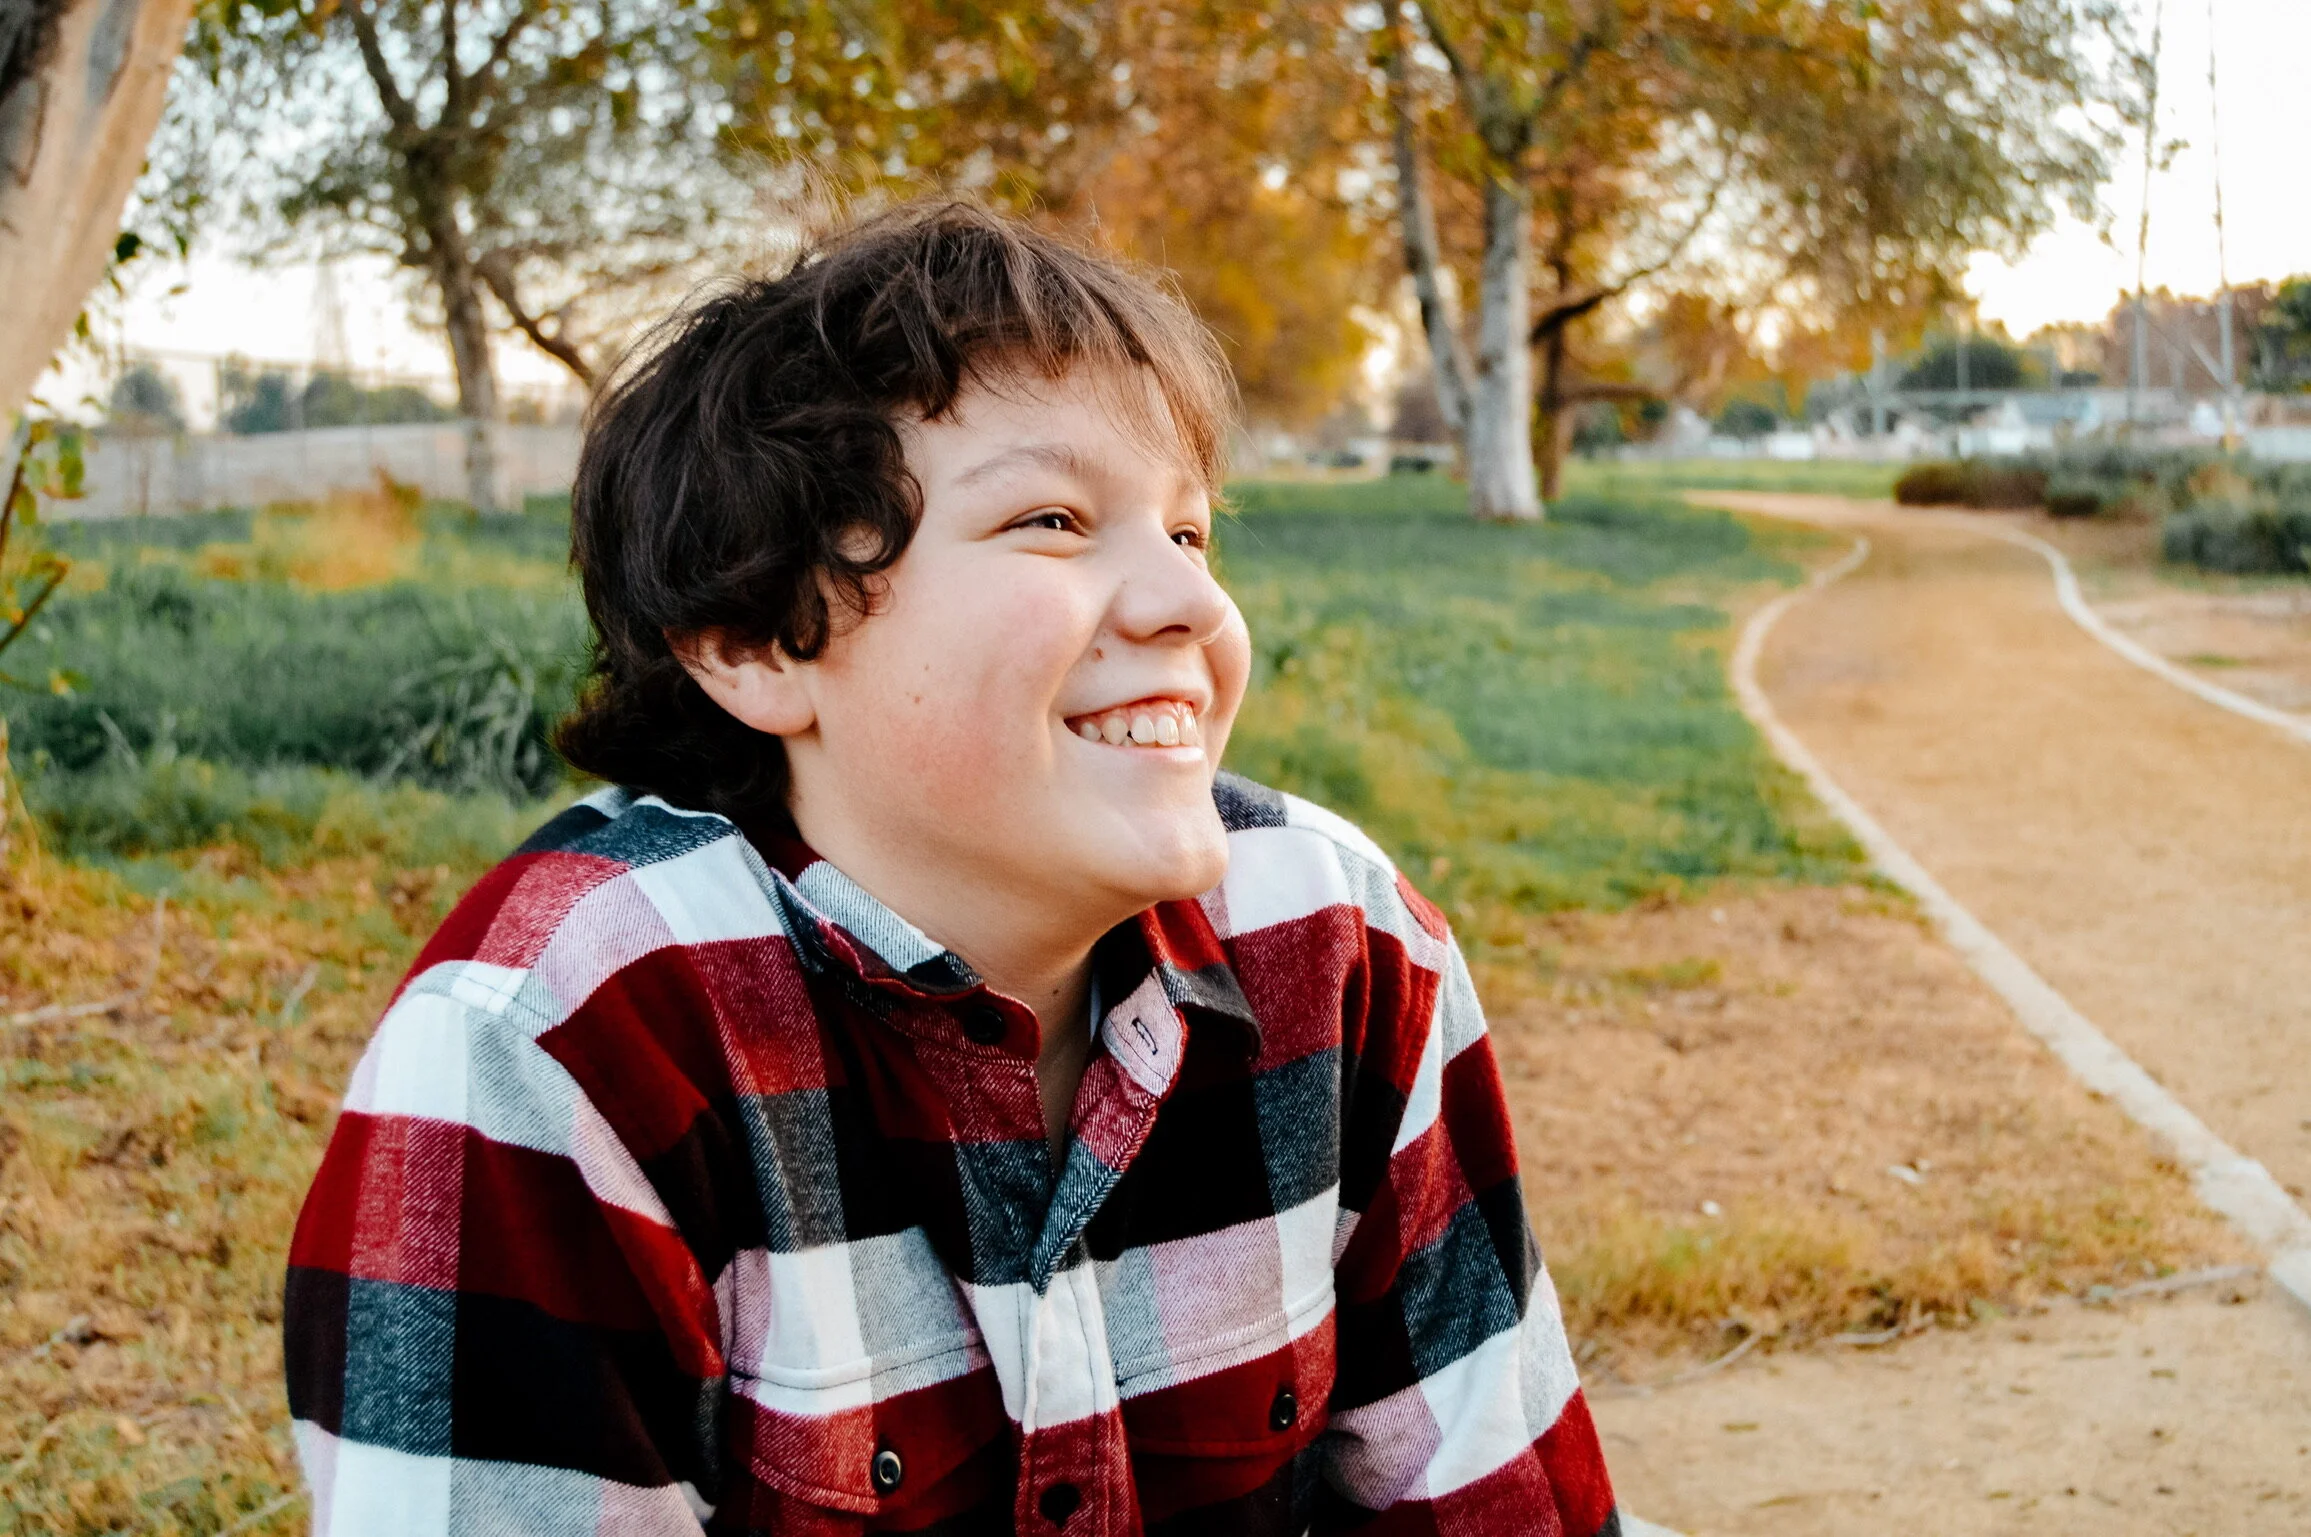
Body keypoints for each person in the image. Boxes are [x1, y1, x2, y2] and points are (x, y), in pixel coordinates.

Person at [282, 201, 1618, 1536]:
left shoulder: (1335, 939)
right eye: (1052, 519)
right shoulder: (554, 1044)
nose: (1194, 606)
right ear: (755, 643)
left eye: (1189, 533)